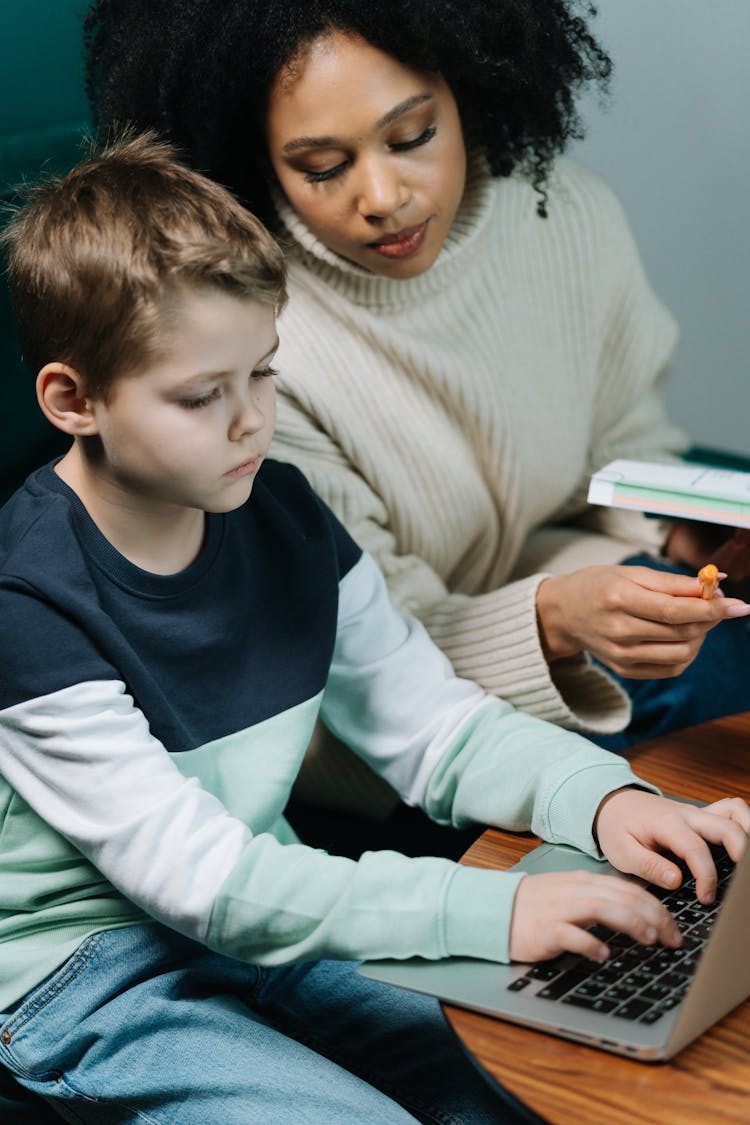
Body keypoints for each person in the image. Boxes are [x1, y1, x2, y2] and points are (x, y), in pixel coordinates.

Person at [1, 133, 749, 1123]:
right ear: (74, 400)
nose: (248, 424)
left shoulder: (284, 512)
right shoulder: (26, 602)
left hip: (269, 918)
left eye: (262, 374)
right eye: (199, 396)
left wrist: (604, 800)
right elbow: (202, 881)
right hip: (93, 976)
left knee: (538, 1070)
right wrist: (499, 908)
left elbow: (434, 726)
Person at [83, 1, 750, 833]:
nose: (385, 196)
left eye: (412, 137)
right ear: (253, 156)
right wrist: (554, 618)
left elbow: (622, 452)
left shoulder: (566, 216)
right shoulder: (246, 351)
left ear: (471, 87)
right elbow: (365, 665)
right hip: (374, 717)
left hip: (543, 615)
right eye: (322, 166)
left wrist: (686, 539)